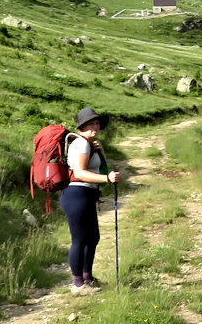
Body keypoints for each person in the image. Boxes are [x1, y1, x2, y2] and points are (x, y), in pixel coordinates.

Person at [60, 106, 120, 295]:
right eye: (90, 123)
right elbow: (79, 173)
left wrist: (100, 150)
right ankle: (78, 285)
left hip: (85, 195)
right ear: (82, 125)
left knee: (92, 238)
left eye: (97, 123)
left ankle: (88, 278)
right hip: (77, 195)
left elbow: (98, 167)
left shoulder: (88, 143)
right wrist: (106, 179)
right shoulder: (81, 144)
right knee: (79, 240)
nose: (95, 126)